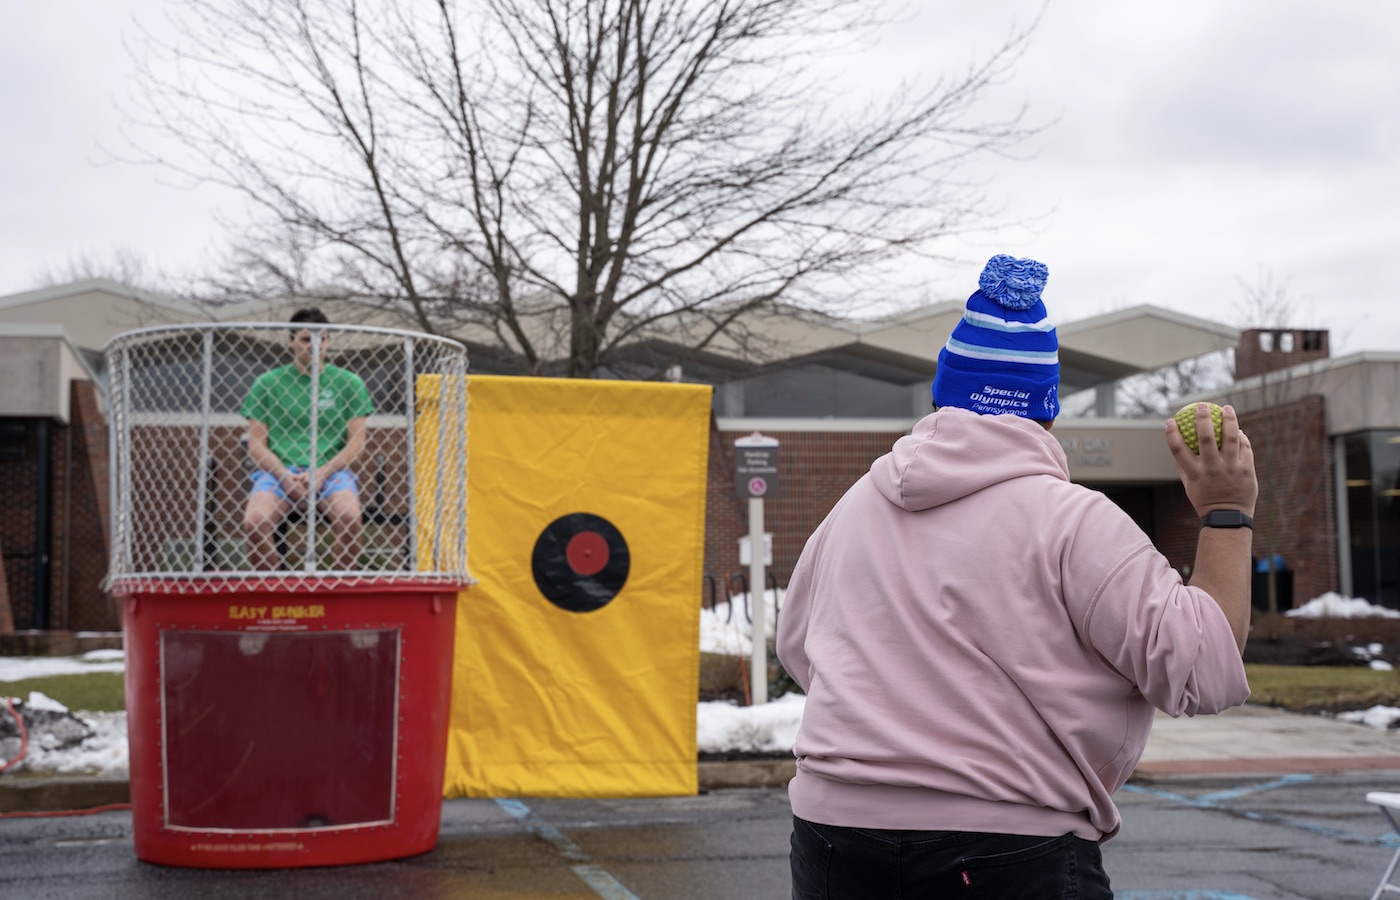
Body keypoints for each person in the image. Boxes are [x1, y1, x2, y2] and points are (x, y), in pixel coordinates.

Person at [776, 254, 1257, 898]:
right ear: (1049, 412)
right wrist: (1226, 513)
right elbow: (1201, 668)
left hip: (832, 832)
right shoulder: (1073, 522)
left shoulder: (855, 507)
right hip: (1006, 843)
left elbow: (800, 647)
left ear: (941, 397)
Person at [241, 308, 375, 570]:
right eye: (305, 339)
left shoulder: (349, 383)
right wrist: (282, 475)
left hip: (331, 471)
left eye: (322, 339)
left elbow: (357, 442)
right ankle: (275, 593)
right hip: (280, 472)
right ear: (291, 341)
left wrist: (323, 472)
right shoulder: (267, 383)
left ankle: (337, 595)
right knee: (255, 522)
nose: (315, 346)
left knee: (350, 518)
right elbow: (256, 443)